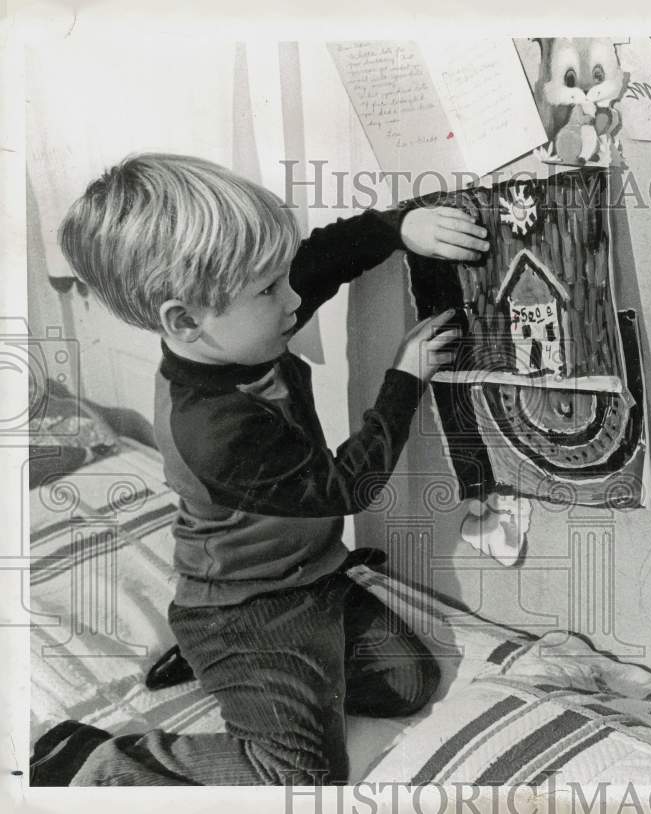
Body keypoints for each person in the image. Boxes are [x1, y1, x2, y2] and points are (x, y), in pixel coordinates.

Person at [29, 153, 489, 786]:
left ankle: (216, 668)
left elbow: (320, 259)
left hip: (311, 579)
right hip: (247, 610)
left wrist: (398, 227)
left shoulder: (237, 321)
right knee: (302, 778)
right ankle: (100, 764)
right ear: (183, 320)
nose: (295, 299)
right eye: (270, 290)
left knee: (409, 683)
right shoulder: (210, 426)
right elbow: (344, 488)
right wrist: (404, 378)